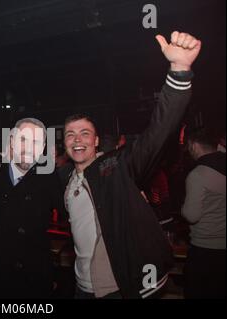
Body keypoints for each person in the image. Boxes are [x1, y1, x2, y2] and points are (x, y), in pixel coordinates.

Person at [61, 31, 201, 299]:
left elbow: (157, 134)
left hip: (120, 287)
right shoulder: (65, 178)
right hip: (82, 287)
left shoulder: (117, 167)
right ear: (64, 144)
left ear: (97, 141)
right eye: (70, 134)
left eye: (84, 133)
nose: (77, 140)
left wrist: (180, 71)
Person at [0, 118, 65, 299]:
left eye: (36, 142)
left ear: (42, 149)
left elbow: (69, 214)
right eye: (23, 139)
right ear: (11, 141)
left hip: (30, 281)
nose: (28, 147)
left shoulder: (49, 179)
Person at [182, 128, 225, 299]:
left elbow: (192, 215)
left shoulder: (198, 174)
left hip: (206, 251)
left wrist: (182, 208)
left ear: (193, 145)